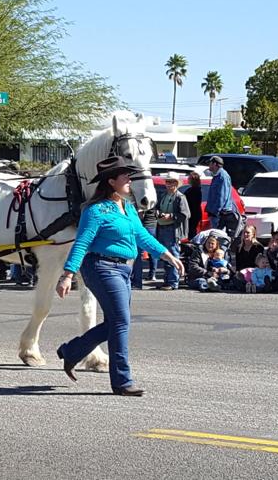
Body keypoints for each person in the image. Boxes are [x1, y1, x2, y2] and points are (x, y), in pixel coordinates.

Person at [55, 156, 183, 397]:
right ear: (111, 181)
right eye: (125, 176)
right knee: (121, 322)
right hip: (101, 267)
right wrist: (67, 274)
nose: (130, 179)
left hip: (124, 270)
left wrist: (167, 255)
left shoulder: (128, 207)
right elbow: (81, 243)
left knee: (117, 322)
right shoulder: (95, 210)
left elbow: (141, 236)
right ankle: (122, 381)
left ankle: (71, 351)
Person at [154, 172, 190, 290]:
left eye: (171, 182)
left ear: (176, 183)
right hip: (162, 228)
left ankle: (173, 282)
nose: (168, 184)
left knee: (173, 254)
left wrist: (170, 216)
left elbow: (185, 214)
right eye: (167, 182)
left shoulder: (180, 197)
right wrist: (158, 213)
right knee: (164, 254)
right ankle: (167, 281)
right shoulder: (164, 195)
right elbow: (157, 208)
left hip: (172, 230)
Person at [204, 156, 238, 236]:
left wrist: (216, 212)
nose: (209, 166)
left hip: (220, 215)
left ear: (215, 164)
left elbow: (222, 197)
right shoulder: (217, 176)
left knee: (218, 237)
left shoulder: (223, 177)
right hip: (216, 214)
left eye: (210, 163)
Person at [130, 207, 158, 289]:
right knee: (153, 251)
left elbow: (140, 215)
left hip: (142, 226)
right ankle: (152, 274)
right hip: (152, 225)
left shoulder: (140, 199)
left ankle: (137, 281)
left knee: (138, 255)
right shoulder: (154, 199)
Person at [184, 172, 203, 240]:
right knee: (190, 231)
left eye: (189, 178)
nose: (188, 179)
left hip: (193, 214)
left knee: (191, 231)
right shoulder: (192, 189)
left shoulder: (195, 190)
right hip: (192, 213)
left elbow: (193, 204)